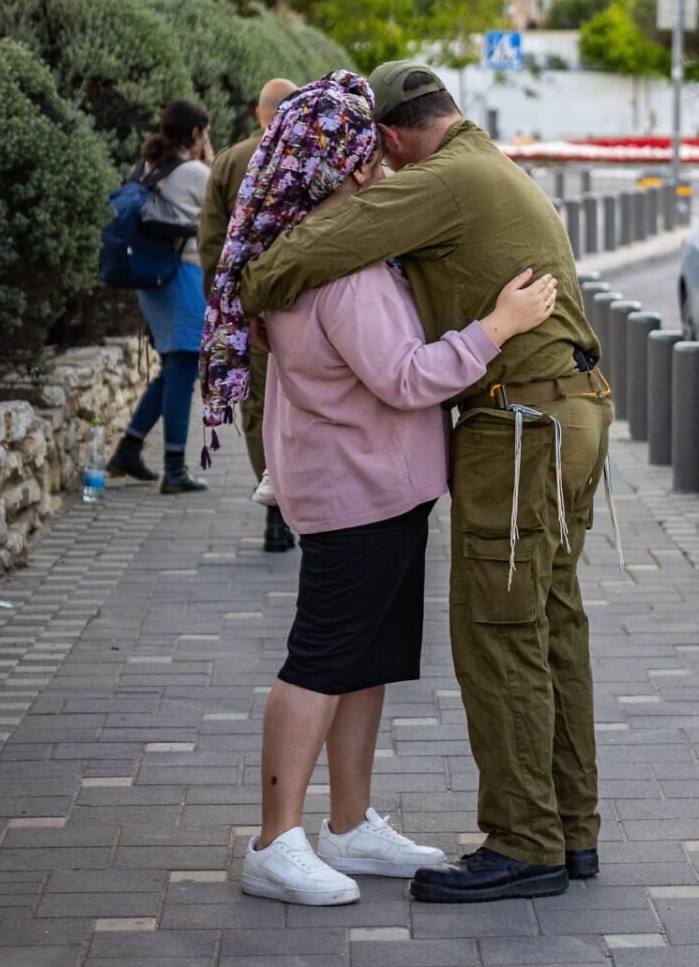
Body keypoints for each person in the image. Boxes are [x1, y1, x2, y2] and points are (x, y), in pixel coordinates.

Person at [227, 62, 612, 904]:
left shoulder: (440, 177)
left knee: (500, 632)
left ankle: (525, 843)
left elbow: (324, 243)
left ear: (396, 137)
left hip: (521, 428)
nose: (379, 172)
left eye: (382, 156)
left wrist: (247, 283)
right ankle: (566, 832)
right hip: (554, 415)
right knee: (547, 623)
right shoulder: (485, 163)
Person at [200, 77, 300, 552]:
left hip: (252, 307)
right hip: (311, 302)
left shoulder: (230, 160)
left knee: (260, 408)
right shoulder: (314, 154)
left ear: (260, 113)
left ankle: (275, 511)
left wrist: (224, 311)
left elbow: (211, 246)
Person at [106, 98, 215, 493]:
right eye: (205, 132)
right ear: (195, 134)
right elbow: (226, 214)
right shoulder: (195, 172)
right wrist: (211, 161)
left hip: (153, 281)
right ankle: (174, 469)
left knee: (172, 368)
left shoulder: (147, 166)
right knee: (183, 369)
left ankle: (129, 449)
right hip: (182, 278)